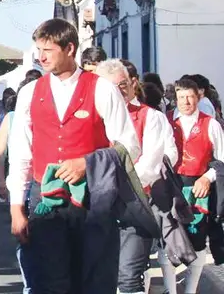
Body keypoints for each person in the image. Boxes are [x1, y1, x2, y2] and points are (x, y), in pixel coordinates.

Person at [7, 19, 140, 294]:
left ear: (70, 48)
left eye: (48, 49)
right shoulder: (30, 93)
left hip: (94, 200)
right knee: (49, 281)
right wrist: (16, 208)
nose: (40, 57)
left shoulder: (102, 88)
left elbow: (130, 145)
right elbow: (20, 153)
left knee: (94, 279)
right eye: (38, 49)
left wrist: (87, 163)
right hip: (46, 199)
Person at [94, 59, 177, 294]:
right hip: (98, 206)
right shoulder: (93, 117)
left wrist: (120, 187)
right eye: (110, 87)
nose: (118, 92)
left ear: (132, 84)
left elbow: (152, 162)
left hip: (134, 203)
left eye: (122, 85)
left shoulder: (150, 117)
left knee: (129, 275)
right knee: (101, 272)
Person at [159, 78, 224, 294]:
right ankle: (170, 289)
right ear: (174, 98)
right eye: (181, 97)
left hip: (198, 189)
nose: (186, 102)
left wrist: (207, 178)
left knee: (196, 241)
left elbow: (222, 159)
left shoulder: (211, 124)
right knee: (167, 239)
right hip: (170, 186)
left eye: (190, 97)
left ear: (199, 97)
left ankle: (190, 290)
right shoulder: (165, 121)